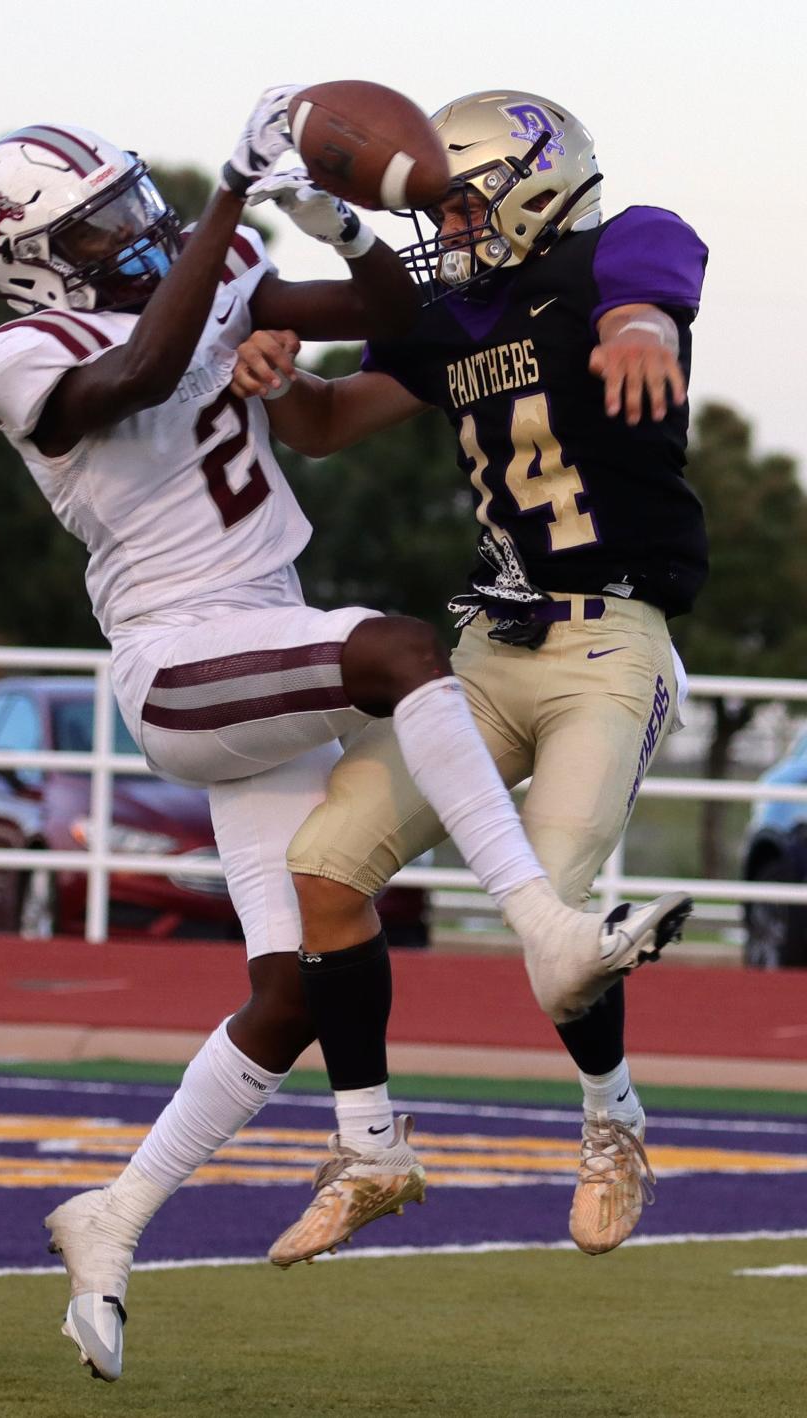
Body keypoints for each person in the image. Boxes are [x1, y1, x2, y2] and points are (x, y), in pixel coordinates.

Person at [0, 92, 689, 1382]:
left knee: (300, 970)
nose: (135, 229)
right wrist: (235, 204)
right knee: (407, 649)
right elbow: (131, 375)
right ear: (31, 260)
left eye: (139, 201)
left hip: (267, 639)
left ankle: (120, 1215)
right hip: (181, 659)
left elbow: (405, 330)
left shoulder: (226, 270)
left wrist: (341, 234)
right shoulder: (22, 349)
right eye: (97, 226)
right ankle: (540, 921)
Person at [232, 89, 708, 1268]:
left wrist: (642, 322)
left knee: (555, 918)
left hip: (610, 642)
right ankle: (371, 1144)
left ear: (535, 179)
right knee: (324, 869)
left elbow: (660, 261)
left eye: (459, 196)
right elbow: (334, 421)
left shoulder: (617, 247)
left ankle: (614, 1122)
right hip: (487, 652)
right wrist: (278, 374)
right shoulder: (451, 315)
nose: (444, 222)